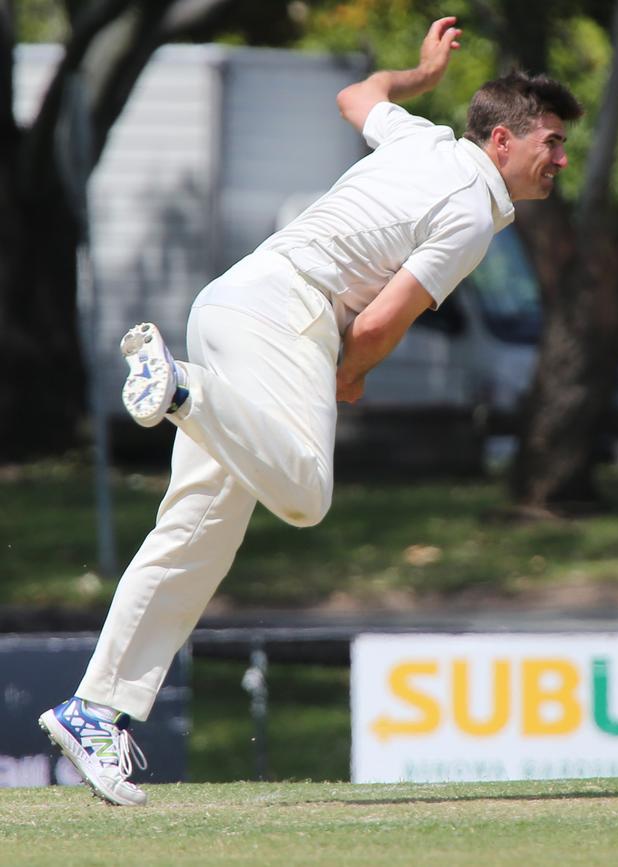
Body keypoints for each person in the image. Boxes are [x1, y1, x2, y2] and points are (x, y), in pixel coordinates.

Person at [38, 16, 582, 805]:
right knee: (305, 493)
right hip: (286, 318)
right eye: (551, 144)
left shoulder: (422, 140)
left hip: (230, 297)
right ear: (502, 141)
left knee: (194, 533)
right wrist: (349, 374)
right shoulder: (471, 208)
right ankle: (185, 389)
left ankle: (95, 709)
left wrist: (418, 77)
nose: (559, 160)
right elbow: (376, 324)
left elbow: (355, 95)